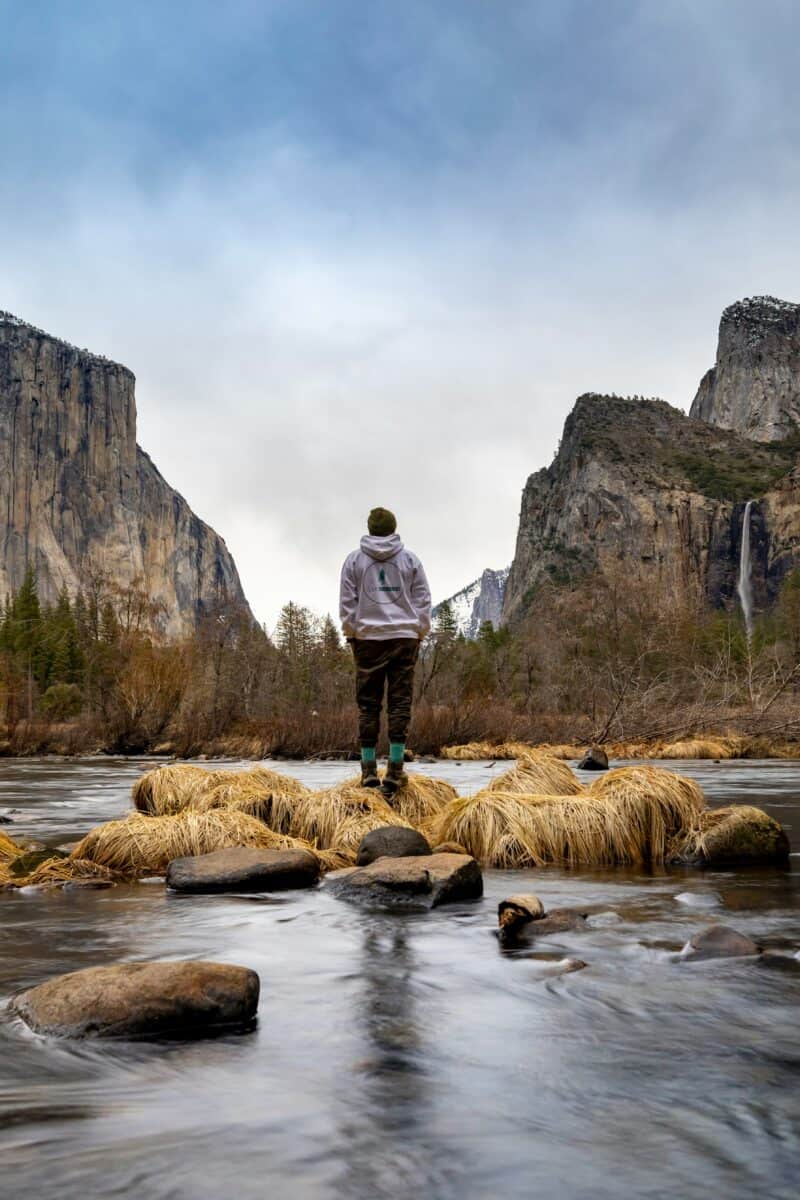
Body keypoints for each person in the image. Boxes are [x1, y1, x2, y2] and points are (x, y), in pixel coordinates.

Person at [339, 507, 432, 800]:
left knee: (368, 705)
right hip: (404, 638)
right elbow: (423, 599)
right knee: (399, 703)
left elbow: (347, 602)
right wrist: (419, 631)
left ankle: (368, 771)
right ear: (393, 529)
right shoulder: (409, 559)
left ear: (370, 529)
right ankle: (394, 772)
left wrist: (352, 632)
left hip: (368, 639)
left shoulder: (354, 560)